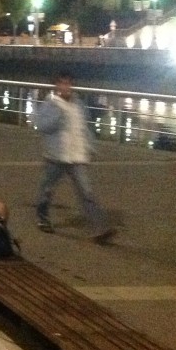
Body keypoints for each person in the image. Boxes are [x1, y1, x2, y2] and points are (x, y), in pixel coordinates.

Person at [33, 71, 115, 242]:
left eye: (68, 83)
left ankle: (100, 228)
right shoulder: (50, 104)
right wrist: (59, 116)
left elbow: (85, 127)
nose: (66, 87)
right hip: (56, 156)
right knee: (47, 190)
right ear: (57, 85)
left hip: (77, 156)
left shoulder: (79, 104)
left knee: (87, 192)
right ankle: (42, 218)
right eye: (62, 83)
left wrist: (90, 146)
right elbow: (41, 126)